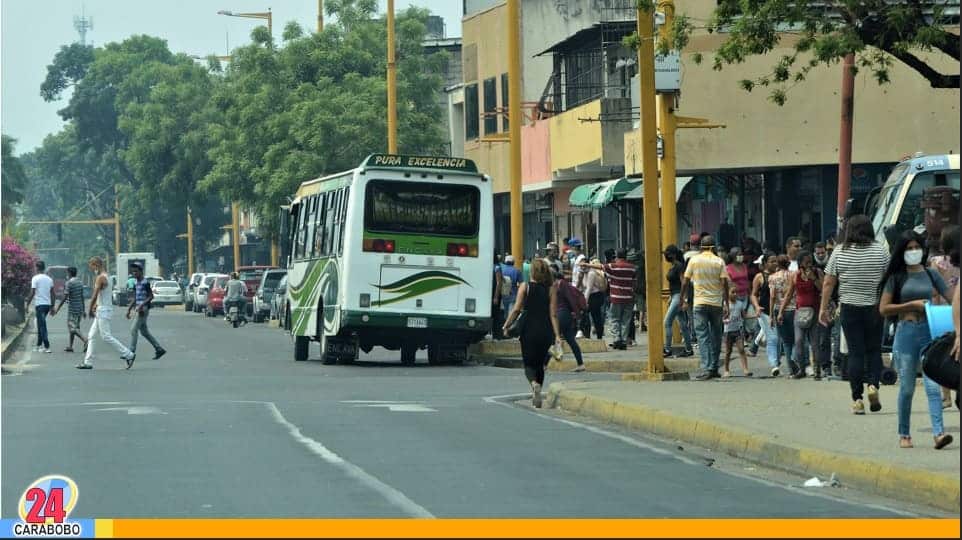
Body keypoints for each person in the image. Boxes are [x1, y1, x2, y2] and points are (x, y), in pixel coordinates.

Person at [878, 230, 953, 449]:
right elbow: (884, 308)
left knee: (932, 385)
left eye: (916, 247)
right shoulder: (896, 277)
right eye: (909, 248)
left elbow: (951, 297)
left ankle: (939, 433)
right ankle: (904, 433)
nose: (913, 252)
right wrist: (911, 305)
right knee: (907, 388)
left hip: (930, 332)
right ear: (902, 252)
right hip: (906, 333)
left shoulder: (931, 274)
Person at [820, 215, 890, 415]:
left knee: (855, 353)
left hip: (850, 308)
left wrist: (823, 309)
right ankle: (873, 386)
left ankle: (857, 399)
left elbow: (828, 283)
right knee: (874, 350)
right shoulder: (881, 251)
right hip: (874, 308)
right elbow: (888, 280)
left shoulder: (840, 252)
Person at [502, 259, 562, 408]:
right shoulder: (551, 288)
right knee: (540, 365)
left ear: (532, 272)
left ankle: (534, 384)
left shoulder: (525, 286)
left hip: (528, 330)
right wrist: (557, 336)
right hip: (546, 331)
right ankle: (539, 391)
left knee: (529, 365)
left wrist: (506, 325)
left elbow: (516, 310)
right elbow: (553, 314)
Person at [682, 236, 730, 380]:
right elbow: (724, 283)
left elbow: (685, 281)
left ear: (701, 247)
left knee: (703, 336)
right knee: (716, 336)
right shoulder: (719, 261)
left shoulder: (694, 261)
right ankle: (714, 367)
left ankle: (707, 367)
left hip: (700, 303)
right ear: (713, 247)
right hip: (716, 303)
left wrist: (682, 298)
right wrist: (726, 302)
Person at [79, 256, 136, 370]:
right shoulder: (108, 277)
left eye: (92, 267)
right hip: (103, 309)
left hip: (103, 310)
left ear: (96, 265)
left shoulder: (100, 278)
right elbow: (102, 295)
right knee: (92, 336)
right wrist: (96, 306)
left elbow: (95, 295)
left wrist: (90, 308)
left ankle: (128, 354)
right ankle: (88, 362)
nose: (92, 269)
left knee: (106, 336)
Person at [778, 251, 823, 379]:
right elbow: (789, 294)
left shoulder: (817, 272)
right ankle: (801, 369)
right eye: (806, 261)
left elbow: (823, 289)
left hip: (814, 311)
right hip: (799, 311)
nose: (809, 264)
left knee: (814, 343)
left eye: (810, 261)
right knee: (798, 341)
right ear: (800, 263)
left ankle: (817, 370)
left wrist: (813, 279)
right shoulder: (795, 275)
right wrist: (781, 311)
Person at [930, 225, 959, 408]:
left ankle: (946, 395)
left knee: (946, 353)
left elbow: (934, 291)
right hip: (958, 308)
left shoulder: (937, 262)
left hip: (943, 310)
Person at [583, 249, 636, 350]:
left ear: (617, 256)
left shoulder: (613, 266)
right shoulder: (632, 268)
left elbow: (600, 267)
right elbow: (634, 281)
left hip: (616, 298)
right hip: (629, 298)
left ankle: (617, 339)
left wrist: (587, 265)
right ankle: (624, 340)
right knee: (626, 320)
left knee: (615, 319)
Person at [127, 264, 167, 360]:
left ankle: (131, 352)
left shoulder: (145, 282)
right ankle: (159, 348)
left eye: (136, 271)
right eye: (133, 271)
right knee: (144, 332)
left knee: (133, 329)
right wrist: (129, 309)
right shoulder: (136, 282)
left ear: (141, 272)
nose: (134, 273)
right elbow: (135, 297)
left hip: (144, 309)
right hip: (139, 308)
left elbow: (151, 296)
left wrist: (141, 305)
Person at [751, 252, 782, 376]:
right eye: (772, 261)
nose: (775, 264)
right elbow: (753, 294)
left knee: (778, 338)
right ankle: (774, 365)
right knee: (773, 338)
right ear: (764, 264)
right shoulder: (759, 277)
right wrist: (757, 306)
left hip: (778, 311)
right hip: (764, 312)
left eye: (776, 261)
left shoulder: (780, 276)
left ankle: (776, 361)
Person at [552, 268, 586, 372]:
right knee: (570, 340)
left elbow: (570, 298)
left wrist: (577, 314)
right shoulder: (556, 284)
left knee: (552, 337)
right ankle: (580, 364)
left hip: (562, 314)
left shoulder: (561, 283)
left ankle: (545, 363)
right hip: (564, 314)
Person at [663, 245, 694, 357]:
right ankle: (689, 349)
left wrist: (684, 299)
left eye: (668, 253)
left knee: (667, 322)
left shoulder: (679, 266)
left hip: (678, 297)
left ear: (673, 254)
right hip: (675, 296)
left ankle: (667, 349)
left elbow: (683, 283)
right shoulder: (674, 266)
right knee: (683, 324)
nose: (666, 256)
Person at [770, 255, 797, 376]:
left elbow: (772, 297)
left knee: (786, 341)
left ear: (778, 264)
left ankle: (791, 368)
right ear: (788, 263)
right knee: (796, 339)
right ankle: (794, 360)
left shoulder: (772, 277)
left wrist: (771, 315)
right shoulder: (794, 275)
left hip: (778, 309)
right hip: (793, 308)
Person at [52, 266, 88, 353]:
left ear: (69, 273)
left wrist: (57, 308)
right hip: (79, 308)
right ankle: (70, 346)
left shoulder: (69, 283)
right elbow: (82, 297)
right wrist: (83, 310)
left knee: (72, 327)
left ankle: (85, 340)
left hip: (73, 309)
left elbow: (65, 297)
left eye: (67, 273)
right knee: (75, 327)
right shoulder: (80, 282)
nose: (66, 274)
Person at [25, 261, 54, 353]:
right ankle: (38, 345)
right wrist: (52, 306)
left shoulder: (35, 278)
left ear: (37, 268)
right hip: (47, 305)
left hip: (40, 305)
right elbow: (53, 294)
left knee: (42, 326)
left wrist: (27, 304)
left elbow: (32, 293)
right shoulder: (49, 279)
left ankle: (47, 346)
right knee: (40, 324)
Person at [722, 286, 751, 378]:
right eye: (733, 292)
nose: (735, 294)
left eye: (736, 292)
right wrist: (724, 319)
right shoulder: (725, 304)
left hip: (738, 330)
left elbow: (743, 316)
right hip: (728, 331)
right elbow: (721, 317)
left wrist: (753, 317)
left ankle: (746, 369)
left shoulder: (740, 304)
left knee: (741, 349)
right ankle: (726, 370)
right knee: (728, 351)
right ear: (728, 293)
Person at [581, 256, 607, 339]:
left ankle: (599, 336)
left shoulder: (591, 273)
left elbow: (589, 288)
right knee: (586, 316)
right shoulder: (583, 272)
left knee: (595, 316)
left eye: (584, 265)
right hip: (589, 296)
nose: (582, 267)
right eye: (581, 265)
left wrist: (585, 302)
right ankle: (587, 335)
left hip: (595, 296)